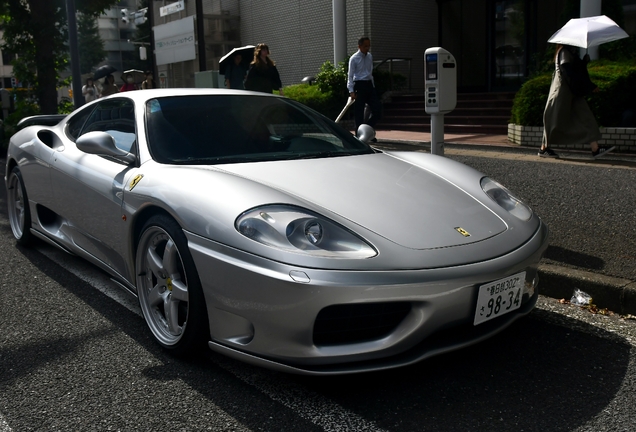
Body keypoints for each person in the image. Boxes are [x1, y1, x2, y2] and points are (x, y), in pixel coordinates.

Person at [539, 44, 614, 159]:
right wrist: (588, 85)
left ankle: (595, 148)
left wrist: (584, 62)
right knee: (554, 118)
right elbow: (568, 72)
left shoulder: (570, 52)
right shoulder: (564, 52)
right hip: (563, 91)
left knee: (585, 115)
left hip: (573, 91)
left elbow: (574, 72)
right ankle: (544, 147)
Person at [347, 37, 382, 135]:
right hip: (359, 85)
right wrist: (351, 91)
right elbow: (350, 75)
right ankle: (359, 135)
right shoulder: (354, 58)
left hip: (369, 85)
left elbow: (370, 73)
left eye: (368, 46)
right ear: (359, 46)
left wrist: (373, 86)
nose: (367, 48)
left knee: (377, 110)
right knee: (359, 113)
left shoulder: (369, 56)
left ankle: (366, 130)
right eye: (365, 46)